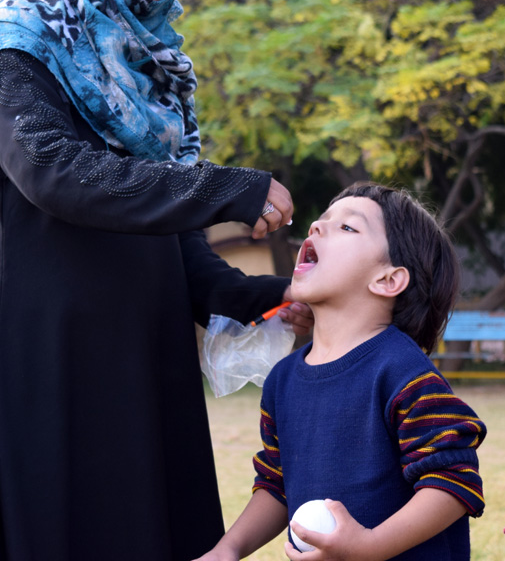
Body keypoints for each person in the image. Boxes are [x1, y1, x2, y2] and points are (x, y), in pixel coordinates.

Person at [0, 0, 312, 561]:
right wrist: (227, 188)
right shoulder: (14, 45)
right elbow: (56, 173)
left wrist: (288, 296)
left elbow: (182, 255)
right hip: (37, 370)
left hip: (139, 374)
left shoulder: (145, 72)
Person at [195, 183, 487, 561]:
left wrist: (369, 547)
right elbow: (276, 483)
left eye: (348, 227)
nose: (316, 226)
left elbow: (454, 480)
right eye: (321, 220)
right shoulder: (282, 380)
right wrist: (227, 550)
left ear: (387, 280)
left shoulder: (401, 369)